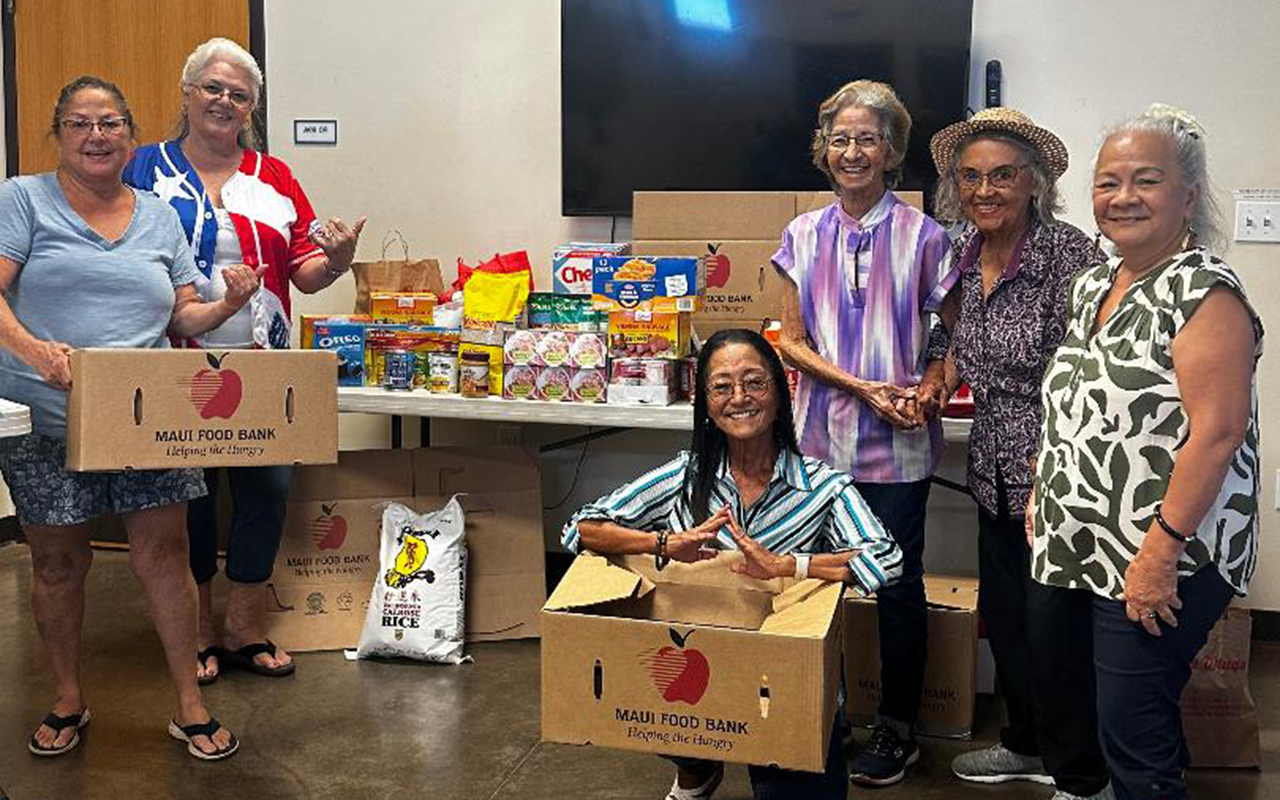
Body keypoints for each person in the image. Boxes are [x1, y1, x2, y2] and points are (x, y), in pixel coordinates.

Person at [0, 76, 263, 760]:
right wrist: (33, 349)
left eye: (111, 123)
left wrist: (229, 304)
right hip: (47, 415)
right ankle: (66, 696)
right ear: (58, 133)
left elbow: (183, 313)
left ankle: (189, 702)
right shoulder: (22, 199)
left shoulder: (156, 214)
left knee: (165, 557)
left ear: (131, 135)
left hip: (149, 415)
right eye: (81, 123)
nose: (97, 136)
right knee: (59, 564)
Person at [1030, 103, 1262, 800]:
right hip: (1083, 538)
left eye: (1146, 180)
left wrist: (1160, 553)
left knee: (1134, 729)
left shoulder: (1204, 291)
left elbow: (1217, 432)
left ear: (1188, 196)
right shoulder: (1093, 285)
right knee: (1087, 707)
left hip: (1163, 545)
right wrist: (1046, 493)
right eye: (1108, 182)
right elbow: (1074, 404)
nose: (1122, 197)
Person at [563, 328, 903, 800]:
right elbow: (582, 527)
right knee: (658, 689)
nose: (739, 398)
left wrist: (788, 566)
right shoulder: (685, 476)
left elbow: (886, 558)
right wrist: (664, 543)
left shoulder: (822, 487)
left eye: (754, 383)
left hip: (787, 677)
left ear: (780, 395)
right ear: (705, 403)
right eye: (722, 387)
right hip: (697, 666)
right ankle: (697, 767)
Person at [123, 37, 365, 684]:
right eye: (213, 88)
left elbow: (305, 273)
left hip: (264, 359)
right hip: (175, 359)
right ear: (188, 94)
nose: (224, 102)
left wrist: (338, 258)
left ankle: (244, 629)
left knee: (265, 491)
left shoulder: (276, 177)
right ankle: (198, 629)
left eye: (239, 95)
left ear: (251, 108)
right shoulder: (144, 169)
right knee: (192, 497)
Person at [919, 108, 1112, 799]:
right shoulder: (963, 254)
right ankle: (1028, 745)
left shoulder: (1071, 256)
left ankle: (1083, 776)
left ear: (1034, 183)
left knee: (1056, 629)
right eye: (971, 177)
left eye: (1003, 175)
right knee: (1007, 620)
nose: (986, 189)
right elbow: (947, 332)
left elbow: (1090, 367)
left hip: (1055, 473)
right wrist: (939, 371)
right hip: (992, 472)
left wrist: (1050, 457)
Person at [772, 79, 957, 787]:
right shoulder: (801, 235)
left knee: (897, 586)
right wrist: (861, 388)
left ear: (892, 153)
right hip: (820, 445)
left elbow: (949, 330)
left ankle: (898, 726)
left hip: (899, 448)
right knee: (813, 583)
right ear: (824, 150)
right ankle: (819, 708)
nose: (853, 152)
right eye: (840, 139)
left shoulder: (927, 236)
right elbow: (789, 341)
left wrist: (932, 384)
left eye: (868, 139)